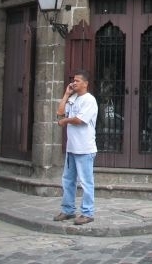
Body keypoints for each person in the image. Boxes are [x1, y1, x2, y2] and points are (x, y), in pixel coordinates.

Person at [54, 70, 98, 225]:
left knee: (86, 182)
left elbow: (80, 120)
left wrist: (65, 121)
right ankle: (68, 210)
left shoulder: (89, 100)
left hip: (84, 148)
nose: (74, 83)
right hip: (72, 148)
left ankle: (88, 212)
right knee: (68, 180)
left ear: (85, 84)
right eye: (73, 80)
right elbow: (60, 112)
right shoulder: (72, 99)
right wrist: (66, 94)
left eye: (77, 80)